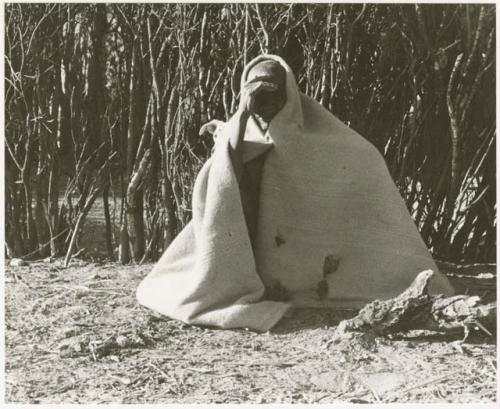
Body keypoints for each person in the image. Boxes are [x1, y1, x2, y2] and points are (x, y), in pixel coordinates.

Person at [137, 55, 454, 331]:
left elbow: (358, 168)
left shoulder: (326, 138)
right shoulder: (243, 130)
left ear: (288, 96)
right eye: (257, 98)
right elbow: (225, 177)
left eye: (272, 98)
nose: (265, 107)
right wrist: (242, 117)